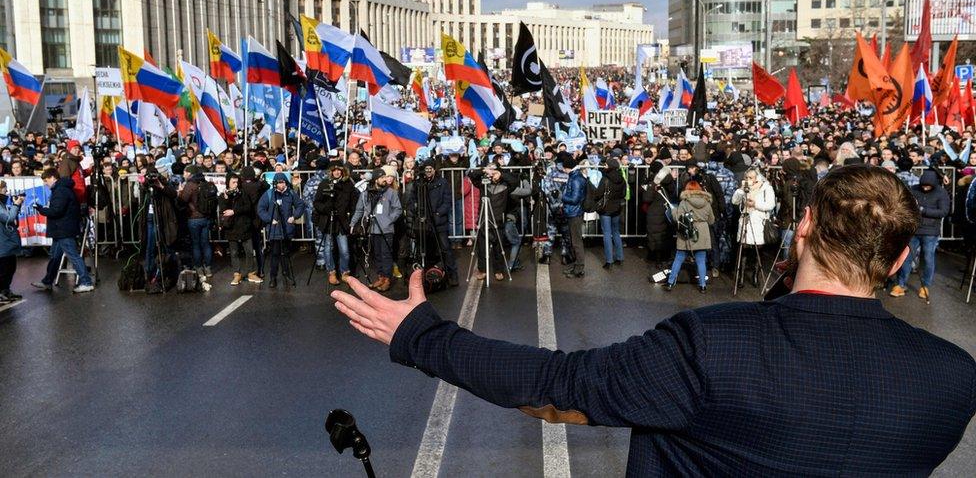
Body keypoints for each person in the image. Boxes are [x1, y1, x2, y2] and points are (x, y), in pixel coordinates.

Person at [332, 165, 976, 476]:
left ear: (802, 227)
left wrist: (421, 334)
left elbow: (556, 384)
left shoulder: (713, 348)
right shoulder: (953, 379)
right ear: (897, 259)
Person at [31, 168, 94, 293]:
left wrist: (41, 209)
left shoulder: (60, 191)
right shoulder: (62, 189)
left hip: (63, 229)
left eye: (46, 180)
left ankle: (86, 282)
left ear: (53, 178)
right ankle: (47, 281)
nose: (45, 183)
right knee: (55, 256)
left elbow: (56, 211)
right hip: (61, 229)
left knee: (73, 256)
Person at [891, 169, 950, 301]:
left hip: (930, 232)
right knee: (906, 258)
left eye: (928, 186)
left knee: (928, 259)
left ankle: (925, 286)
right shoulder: (914, 189)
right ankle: (901, 284)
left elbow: (943, 211)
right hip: (914, 230)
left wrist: (923, 210)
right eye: (923, 185)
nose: (925, 187)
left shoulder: (941, 193)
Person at [404, 160, 458, 286]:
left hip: (438, 222)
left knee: (445, 249)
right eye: (426, 169)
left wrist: (438, 214)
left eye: (430, 168)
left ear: (434, 169)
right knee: (423, 249)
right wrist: (415, 212)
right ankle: (425, 275)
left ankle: (452, 275)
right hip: (423, 223)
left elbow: (447, 201)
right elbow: (411, 200)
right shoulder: (418, 184)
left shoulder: (442, 183)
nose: (428, 171)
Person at [350, 166, 402, 292]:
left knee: (386, 255)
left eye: (385, 176)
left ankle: (387, 279)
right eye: (382, 177)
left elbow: (398, 209)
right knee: (377, 255)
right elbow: (359, 209)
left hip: (386, 230)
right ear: (375, 179)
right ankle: (381, 277)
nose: (385, 179)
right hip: (372, 229)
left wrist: (388, 220)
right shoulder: (366, 194)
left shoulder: (391, 192)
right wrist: (353, 224)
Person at [663, 180, 714, 293]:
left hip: (687, 232)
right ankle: (703, 286)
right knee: (701, 260)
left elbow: (677, 218)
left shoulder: (684, 202)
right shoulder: (707, 202)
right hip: (702, 233)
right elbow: (711, 220)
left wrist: (673, 210)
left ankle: (670, 283)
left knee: (679, 258)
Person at [312, 161, 357, 286]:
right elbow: (317, 203)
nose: (336, 172)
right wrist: (326, 209)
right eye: (334, 170)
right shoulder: (325, 183)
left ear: (343, 171)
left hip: (342, 221)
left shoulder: (348, 184)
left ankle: (344, 272)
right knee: (328, 248)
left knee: (344, 250)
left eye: (339, 170)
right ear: (330, 171)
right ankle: (331, 271)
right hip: (328, 220)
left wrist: (352, 220)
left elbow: (354, 204)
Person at [257, 172, 305, 288]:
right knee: (274, 254)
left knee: (286, 253)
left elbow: (300, 205)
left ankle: (286, 274)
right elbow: (261, 209)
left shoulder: (290, 193)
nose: (281, 185)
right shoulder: (269, 194)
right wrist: (269, 219)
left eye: (282, 182)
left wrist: (294, 216)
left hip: (287, 229)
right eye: (278, 183)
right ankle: (273, 277)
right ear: (275, 183)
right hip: (274, 230)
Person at [731, 167, 776, 287]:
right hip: (745, 220)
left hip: (758, 222)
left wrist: (755, 204)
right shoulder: (744, 189)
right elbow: (734, 201)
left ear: (757, 178)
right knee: (744, 249)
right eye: (746, 177)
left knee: (758, 250)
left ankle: (755, 276)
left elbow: (771, 205)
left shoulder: (766, 188)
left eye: (751, 178)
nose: (748, 180)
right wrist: (741, 190)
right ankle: (740, 277)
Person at [219, 173, 256, 286]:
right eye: (233, 182)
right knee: (234, 252)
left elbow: (248, 207)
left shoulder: (243, 193)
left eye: (237, 182)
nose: (235, 185)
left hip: (244, 225)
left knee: (249, 251)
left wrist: (235, 211)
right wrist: (225, 199)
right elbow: (223, 210)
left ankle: (251, 272)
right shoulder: (223, 195)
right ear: (228, 183)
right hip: (231, 227)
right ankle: (237, 274)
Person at [179, 165, 214, 277]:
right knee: (206, 244)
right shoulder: (205, 183)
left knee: (196, 244)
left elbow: (183, 200)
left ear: (190, 173)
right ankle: (208, 268)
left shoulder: (190, 185)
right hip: (206, 217)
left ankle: (198, 268)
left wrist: (180, 192)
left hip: (194, 218)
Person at [595, 158, 627, 270]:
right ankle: (620, 257)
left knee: (607, 234)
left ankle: (609, 261)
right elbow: (623, 193)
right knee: (616, 232)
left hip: (606, 209)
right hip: (617, 208)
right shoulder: (622, 178)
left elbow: (598, 193)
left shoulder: (605, 179)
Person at [560, 156, 587, 278]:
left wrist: (562, 196)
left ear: (567, 167)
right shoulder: (575, 176)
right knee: (574, 240)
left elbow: (575, 199)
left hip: (575, 212)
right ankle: (577, 266)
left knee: (576, 241)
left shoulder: (576, 179)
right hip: (573, 212)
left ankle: (579, 268)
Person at [0, 180, 24, 302]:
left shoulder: (2, 203)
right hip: (2, 242)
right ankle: (1, 292)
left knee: (10, 267)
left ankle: (6, 290)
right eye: (4, 188)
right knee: (4, 269)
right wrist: (16, 205)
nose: (6, 191)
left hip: (6, 241)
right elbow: (8, 218)